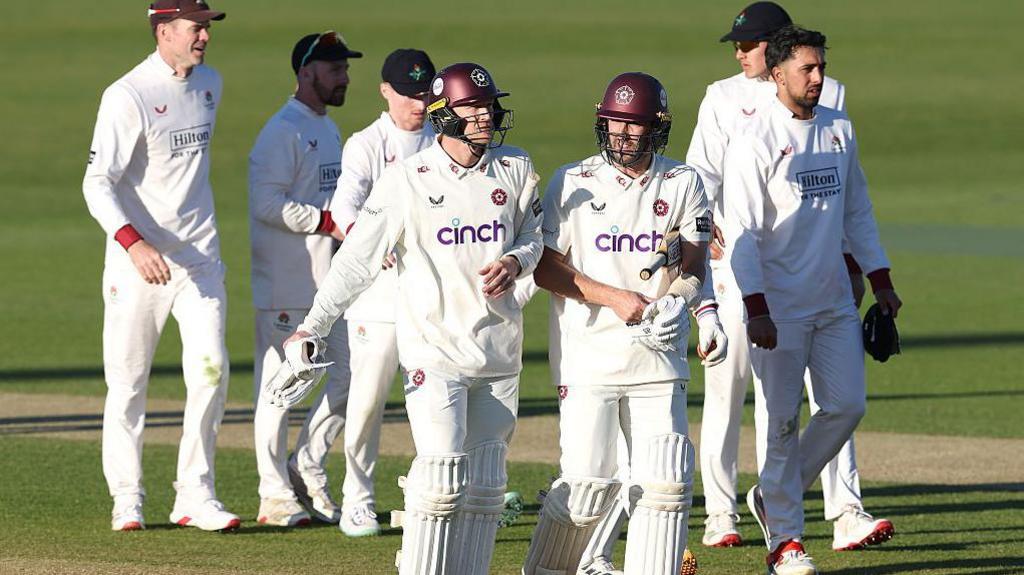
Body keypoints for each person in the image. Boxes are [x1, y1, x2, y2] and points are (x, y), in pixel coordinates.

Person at [286, 62, 542, 574]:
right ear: (444, 115)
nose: (486, 116)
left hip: (498, 352)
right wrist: (313, 325)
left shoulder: (515, 167)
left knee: (487, 484)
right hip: (434, 352)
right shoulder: (407, 179)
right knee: (443, 479)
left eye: (489, 106)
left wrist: (516, 261)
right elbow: (356, 260)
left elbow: (535, 239)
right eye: (473, 108)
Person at [686, 1, 892, 552]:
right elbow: (701, 172)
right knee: (728, 387)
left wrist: (861, 266)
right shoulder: (722, 96)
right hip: (739, 258)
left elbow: (846, 195)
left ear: (779, 47)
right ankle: (721, 513)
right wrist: (706, 234)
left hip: (817, 268)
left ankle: (844, 508)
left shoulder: (831, 98)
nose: (739, 52)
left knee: (834, 397)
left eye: (748, 43)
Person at [523, 72, 726, 575]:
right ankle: (551, 570)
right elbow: (546, 266)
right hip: (587, 356)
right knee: (588, 483)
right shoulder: (571, 181)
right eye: (615, 122)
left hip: (658, 357)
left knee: (664, 481)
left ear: (656, 127)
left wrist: (679, 301)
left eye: (634, 125)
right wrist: (614, 297)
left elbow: (694, 266)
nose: (623, 134)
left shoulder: (683, 182)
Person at [83, 0, 238, 532]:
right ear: (164, 30)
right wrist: (134, 243)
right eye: (196, 28)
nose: (204, 37)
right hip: (137, 265)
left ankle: (195, 494)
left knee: (211, 372)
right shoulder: (128, 94)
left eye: (207, 28)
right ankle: (127, 498)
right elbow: (97, 182)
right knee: (128, 384)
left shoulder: (211, 83)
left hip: (199, 261)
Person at [284, 47, 435, 536]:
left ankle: (426, 494)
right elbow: (346, 207)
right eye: (409, 95)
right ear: (385, 92)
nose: (419, 104)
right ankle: (358, 498)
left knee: (432, 400)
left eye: (426, 94)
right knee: (366, 401)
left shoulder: (441, 139)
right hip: (375, 296)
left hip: (429, 296)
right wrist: (375, 239)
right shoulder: (367, 143)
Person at [248, 31, 362, 527]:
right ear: (306, 72)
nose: (344, 77)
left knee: (346, 378)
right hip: (286, 283)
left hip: (327, 286)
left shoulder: (328, 128)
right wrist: (327, 221)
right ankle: (273, 496)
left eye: (345, 68)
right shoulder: (283, 131)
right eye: (335, 68)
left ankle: (304, 464)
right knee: (281, 388)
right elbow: (265, 203)